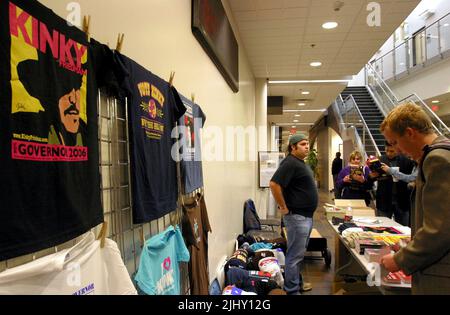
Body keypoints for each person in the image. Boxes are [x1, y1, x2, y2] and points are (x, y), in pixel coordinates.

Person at [379, 102, 450, 295]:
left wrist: (400, 259)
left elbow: (440, 229)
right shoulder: (438, 154)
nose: (397, 150)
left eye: (394, 142)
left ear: (410, 133)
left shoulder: (438, 159)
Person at [269, 134, 318, 295]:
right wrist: (283, 206)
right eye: (303, 144)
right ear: (293, 147)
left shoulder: (298, 163)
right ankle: (292, 290)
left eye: (307, 144)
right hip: (297, 217)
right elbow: (274, 184)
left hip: (305, 217)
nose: (306, 146)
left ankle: (296, 284)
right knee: (294, 257)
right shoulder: (290, 163)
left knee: (297, 254)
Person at [16, 50, 86, 146]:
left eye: (77, 86)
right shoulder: (23, 125)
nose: (73, 99)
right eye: (64, 87)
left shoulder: (86, 131)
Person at [373, 142, 415, 226]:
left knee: (404, 230)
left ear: (397, 149)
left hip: (402, 201)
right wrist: (372, 176)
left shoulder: (407, 161)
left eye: (392, 151)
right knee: (382, 228)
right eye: (387, 150)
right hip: (384, 200)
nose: (389, 153)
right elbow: (371, 178)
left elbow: (411, 178)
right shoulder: (379, 160)